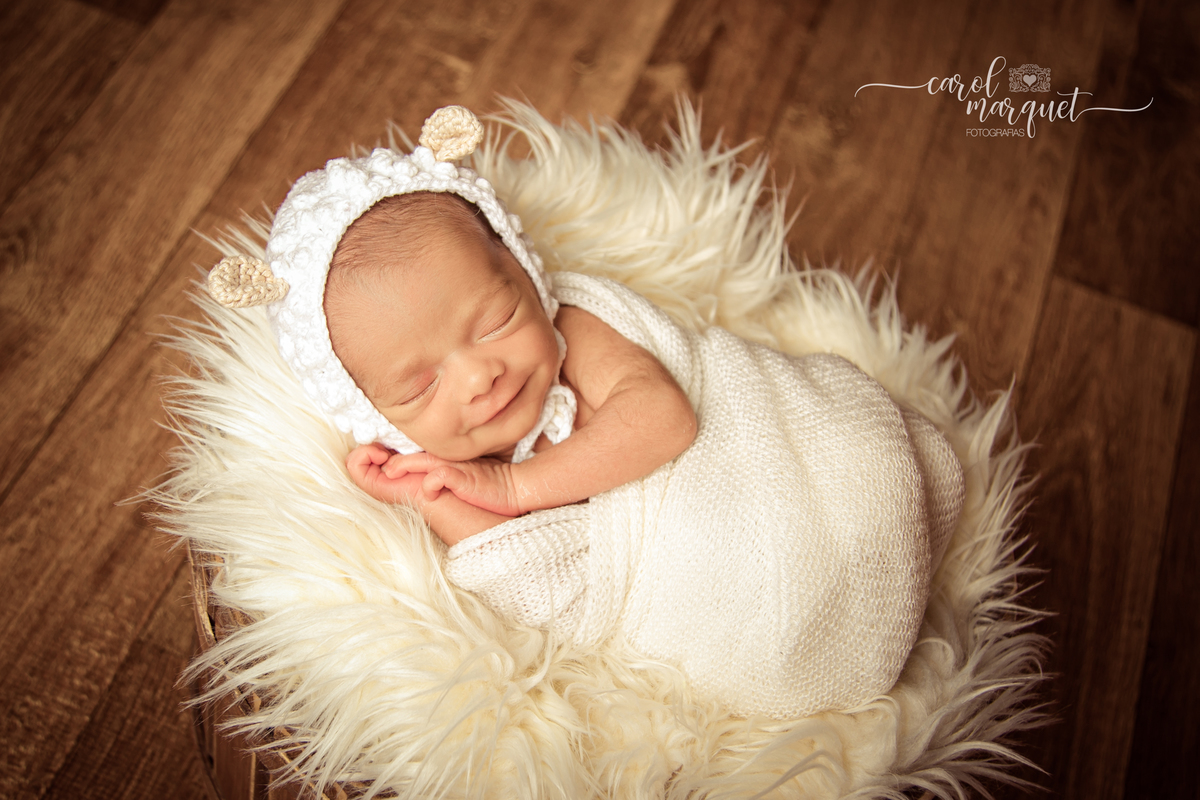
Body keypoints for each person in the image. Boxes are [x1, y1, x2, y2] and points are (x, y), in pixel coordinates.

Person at [206, 106, 965, 718]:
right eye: (419, 386)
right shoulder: (449, 464)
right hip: (737, 595)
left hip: (806, 459)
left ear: (526, 274)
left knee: (861, 470)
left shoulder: (575, 329)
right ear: (372, 414)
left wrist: (514, 488)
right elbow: (536, 580)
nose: (479, 376)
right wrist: (428, 495)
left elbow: (666, 421)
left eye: (495, 320)